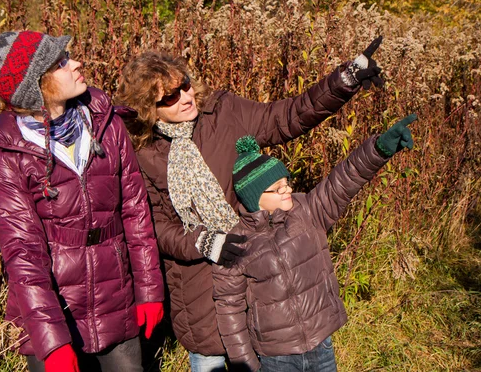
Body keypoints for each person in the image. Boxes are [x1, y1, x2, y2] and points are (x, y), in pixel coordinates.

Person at [114, 38, 385, 371]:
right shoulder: (143, 152)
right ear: (147, 108)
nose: (186, 97)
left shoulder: (223, 112)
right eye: (170, 96)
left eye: (184, 85)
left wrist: (345, 79)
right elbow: (153, 225)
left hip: (262, 283)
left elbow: (286, 116)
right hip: (201, 293)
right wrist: (202, 242)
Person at [0, 30, 164, 372]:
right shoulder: (8, 158)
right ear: (36, 86)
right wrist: (52, 342)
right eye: (61, 62)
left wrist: (149, 290)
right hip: (54, 308)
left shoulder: (106, 124)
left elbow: (135, 211)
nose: (76, 63)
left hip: (117, 295)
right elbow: (23, 254)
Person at [213, 115, 417, 372]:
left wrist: (378, 149)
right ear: (255, 198)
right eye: (277, 188)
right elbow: (229, 311)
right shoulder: (236, 244)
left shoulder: (307, 211)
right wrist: (245, 366)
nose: (287, 189)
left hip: (321, 345)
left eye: (286, 182)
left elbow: (344, 180)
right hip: (277, 358)